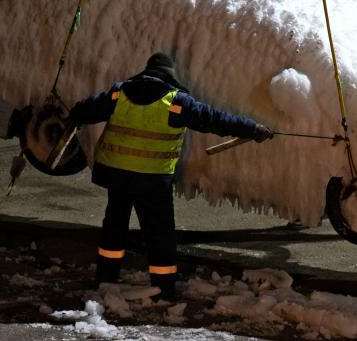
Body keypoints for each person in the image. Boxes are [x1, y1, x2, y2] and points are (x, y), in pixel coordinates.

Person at [69, 52, 272, 299]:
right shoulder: (177, 103)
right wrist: (253, 129)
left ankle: (105, 278)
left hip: (118, 176)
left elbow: (83, 109)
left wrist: (72, 117)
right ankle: (163, 287)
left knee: (114, 227)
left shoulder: (118, 94)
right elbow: (217, 120)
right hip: (152, 181)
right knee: (160, 234)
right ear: (169, 76)